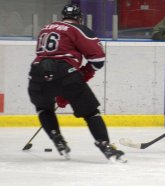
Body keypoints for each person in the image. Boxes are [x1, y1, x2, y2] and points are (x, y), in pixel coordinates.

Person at [28, 4, 126, 162]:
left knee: (43, 108)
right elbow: (98, 59)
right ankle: (105, 146)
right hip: (66, 74)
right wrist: (84, 73)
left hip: (37, 73)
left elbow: (48, 55)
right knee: (91, 113)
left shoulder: (46, 28)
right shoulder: (79, 29)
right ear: (80, 18)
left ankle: (58, 140)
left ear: (62, 16)